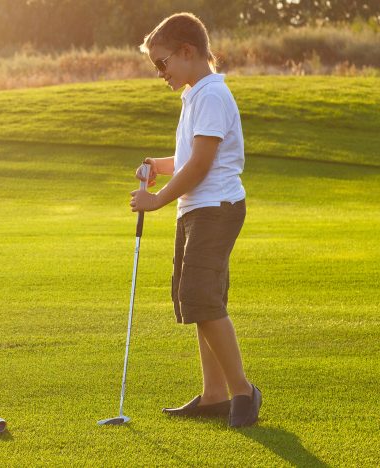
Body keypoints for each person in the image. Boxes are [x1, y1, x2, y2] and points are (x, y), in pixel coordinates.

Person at [131, 12, 261, 428]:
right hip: (198, 209)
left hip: (215, 207)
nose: (160, 73)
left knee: (202, 297)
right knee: (196, 299)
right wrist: (159, 164)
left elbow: (203, 164)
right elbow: (189, 158)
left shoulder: (210, 95)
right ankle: (213, 395)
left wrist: (157, 200)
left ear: (187, 52)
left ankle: (242, 391)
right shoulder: (195, 95)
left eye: (162, 63)